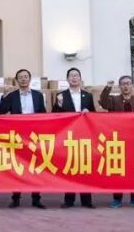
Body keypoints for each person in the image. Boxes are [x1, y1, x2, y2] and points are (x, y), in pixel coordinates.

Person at [0, 69, 46, 209]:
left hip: (34, 135)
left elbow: (43, 113)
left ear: (30, 79)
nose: (23, 79)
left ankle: (36, 198)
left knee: (34, 166)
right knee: (17, 166)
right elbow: (1, 112)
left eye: (26, 77)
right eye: (20, 77)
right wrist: (4, 97)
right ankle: (16, 198)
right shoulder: (11, 96)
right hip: (17, 135)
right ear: (16, 80)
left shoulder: (38, 95)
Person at [99, 76, 134, 208]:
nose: (126, 86)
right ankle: (117, 198)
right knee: (117, 170)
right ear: (119, 86)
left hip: (133, 141)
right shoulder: (114, 100)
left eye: (128, 84)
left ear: (132, 86)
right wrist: (108, 87)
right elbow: (103, 103)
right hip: (117, 140)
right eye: (123, 84)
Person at [54, 67, 96, 209]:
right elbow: (55, 115)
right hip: (68, 136)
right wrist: (59, 104)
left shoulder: (87, 96)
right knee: (70, 167)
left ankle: (87, 200)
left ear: (80, 78)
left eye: (76, 75)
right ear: (67, 79)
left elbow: (94, 114)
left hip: (84, 136)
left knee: (85, 167)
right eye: (71, 75)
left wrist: (88, 112)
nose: (74, 78)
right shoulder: (61, 96)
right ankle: (69, 200)